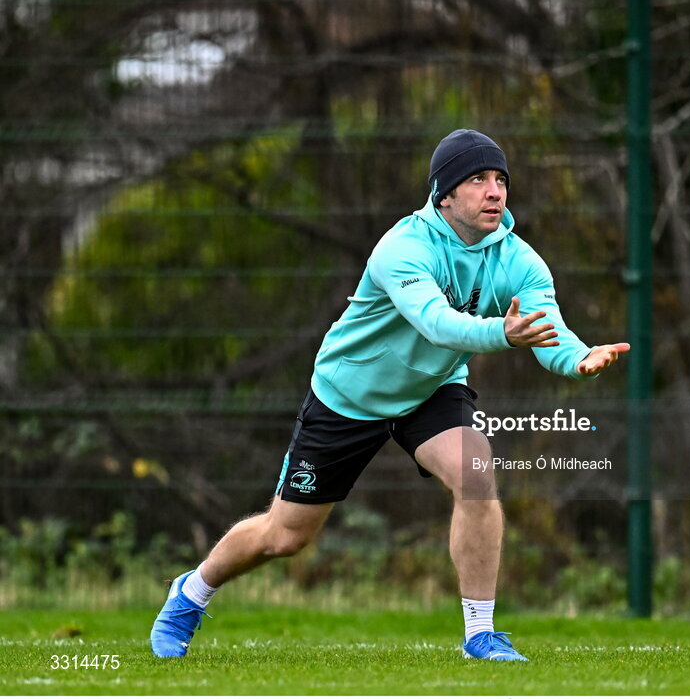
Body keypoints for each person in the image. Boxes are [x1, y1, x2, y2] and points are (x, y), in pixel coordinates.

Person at [149, 129, 630, 662]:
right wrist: (501, 334)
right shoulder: (402, 248)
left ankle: (480, 636)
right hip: (349, 395)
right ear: (444, 194)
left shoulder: (519, 260)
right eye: (478, 181)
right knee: (285, 537)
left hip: (432, 389)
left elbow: (547, 330)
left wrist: (578, 359)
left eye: (501, 180)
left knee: (476, 475)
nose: (495, 192)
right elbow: (438, 324)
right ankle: (190, 594)